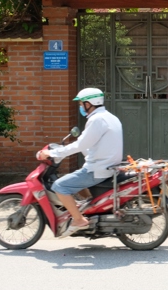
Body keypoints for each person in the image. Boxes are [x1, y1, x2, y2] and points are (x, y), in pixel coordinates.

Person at [37, 88, 123, 237]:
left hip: (98, 169)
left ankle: (78, 220)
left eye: (82, 103)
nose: (81, 107)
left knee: (59, 186)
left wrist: (52, 153)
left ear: (89, 103)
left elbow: (80, 145)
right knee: (75, 176)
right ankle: (82, 209)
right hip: (106, 166)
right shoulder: (110, 117)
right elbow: (89, 145)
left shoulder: (96, 120)